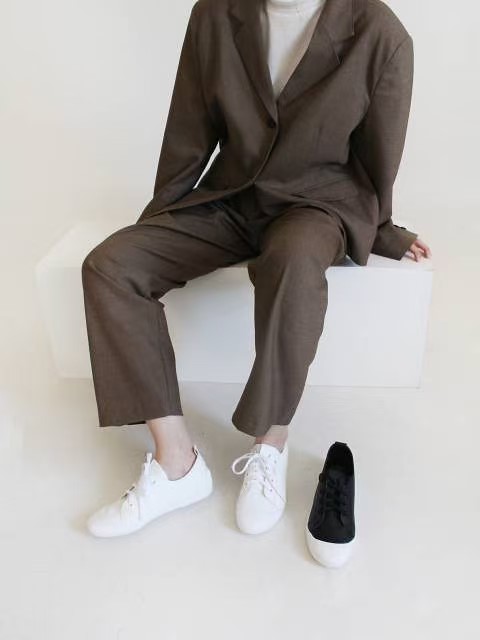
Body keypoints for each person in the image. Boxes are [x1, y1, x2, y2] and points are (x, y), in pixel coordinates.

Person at [82, 0, 432, 540]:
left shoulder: (380, 34)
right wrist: (162, 222)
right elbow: (188, 129)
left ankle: (271, 445)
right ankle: (177, 464)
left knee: (292, 263)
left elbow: (378, 156)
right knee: (110, 265)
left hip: (316, 204)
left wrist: (381, 229)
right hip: (233, 196)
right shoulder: (215, 14)